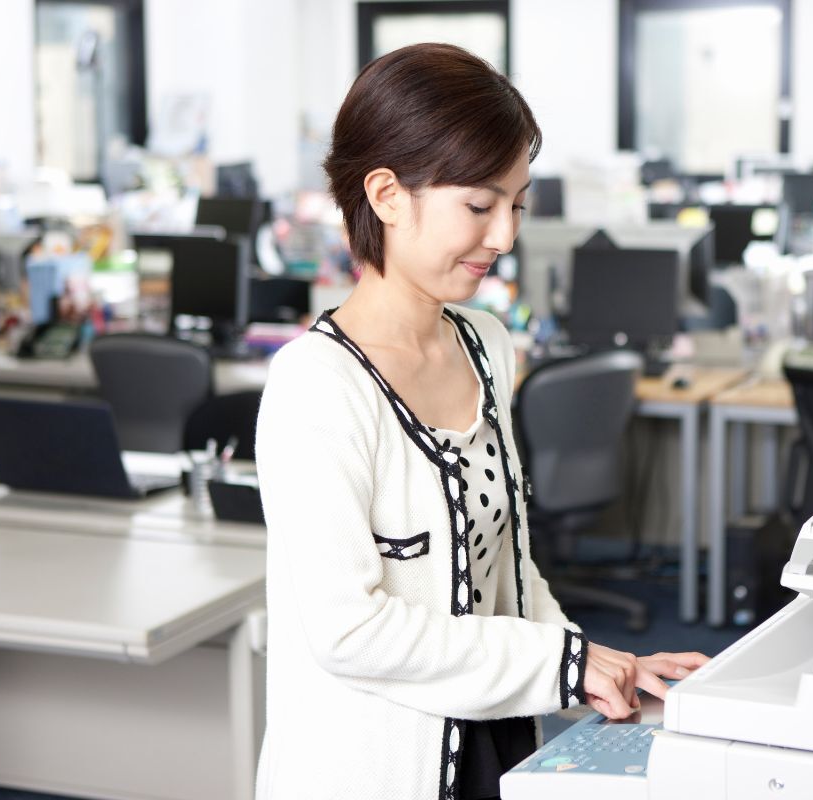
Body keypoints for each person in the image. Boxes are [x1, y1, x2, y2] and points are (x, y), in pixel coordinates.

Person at [254, 43, 707, 800]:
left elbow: (509, 573)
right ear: (387, 194)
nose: (504, 236)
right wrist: (561, 665)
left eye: (517, 204)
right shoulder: (316, 384)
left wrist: (599, 663)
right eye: (479, 205)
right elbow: (349, 633)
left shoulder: (485, 343)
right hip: (373, 768)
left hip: (495, 745)